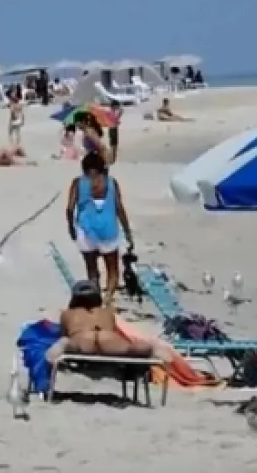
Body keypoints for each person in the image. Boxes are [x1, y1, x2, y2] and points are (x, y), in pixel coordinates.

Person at [45, 280, 175, 363]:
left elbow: (64, 333)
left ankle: (63, 346)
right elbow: (113, 329)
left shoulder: (68, 313)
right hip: (108, 339)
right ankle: (154, 349)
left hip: (82, 339)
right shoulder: (107, 312)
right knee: (135, 348)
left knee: (67, 342)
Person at [65, 152, 134, 305]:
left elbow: (69, 208)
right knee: (113, 271)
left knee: (92, 270)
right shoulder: (111, 183)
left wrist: (71, 227)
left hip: (86, 231)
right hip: (109, 231)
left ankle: (95, 298)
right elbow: (119, 208)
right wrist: (127, 232)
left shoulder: (78, 183)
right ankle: (107, 299)